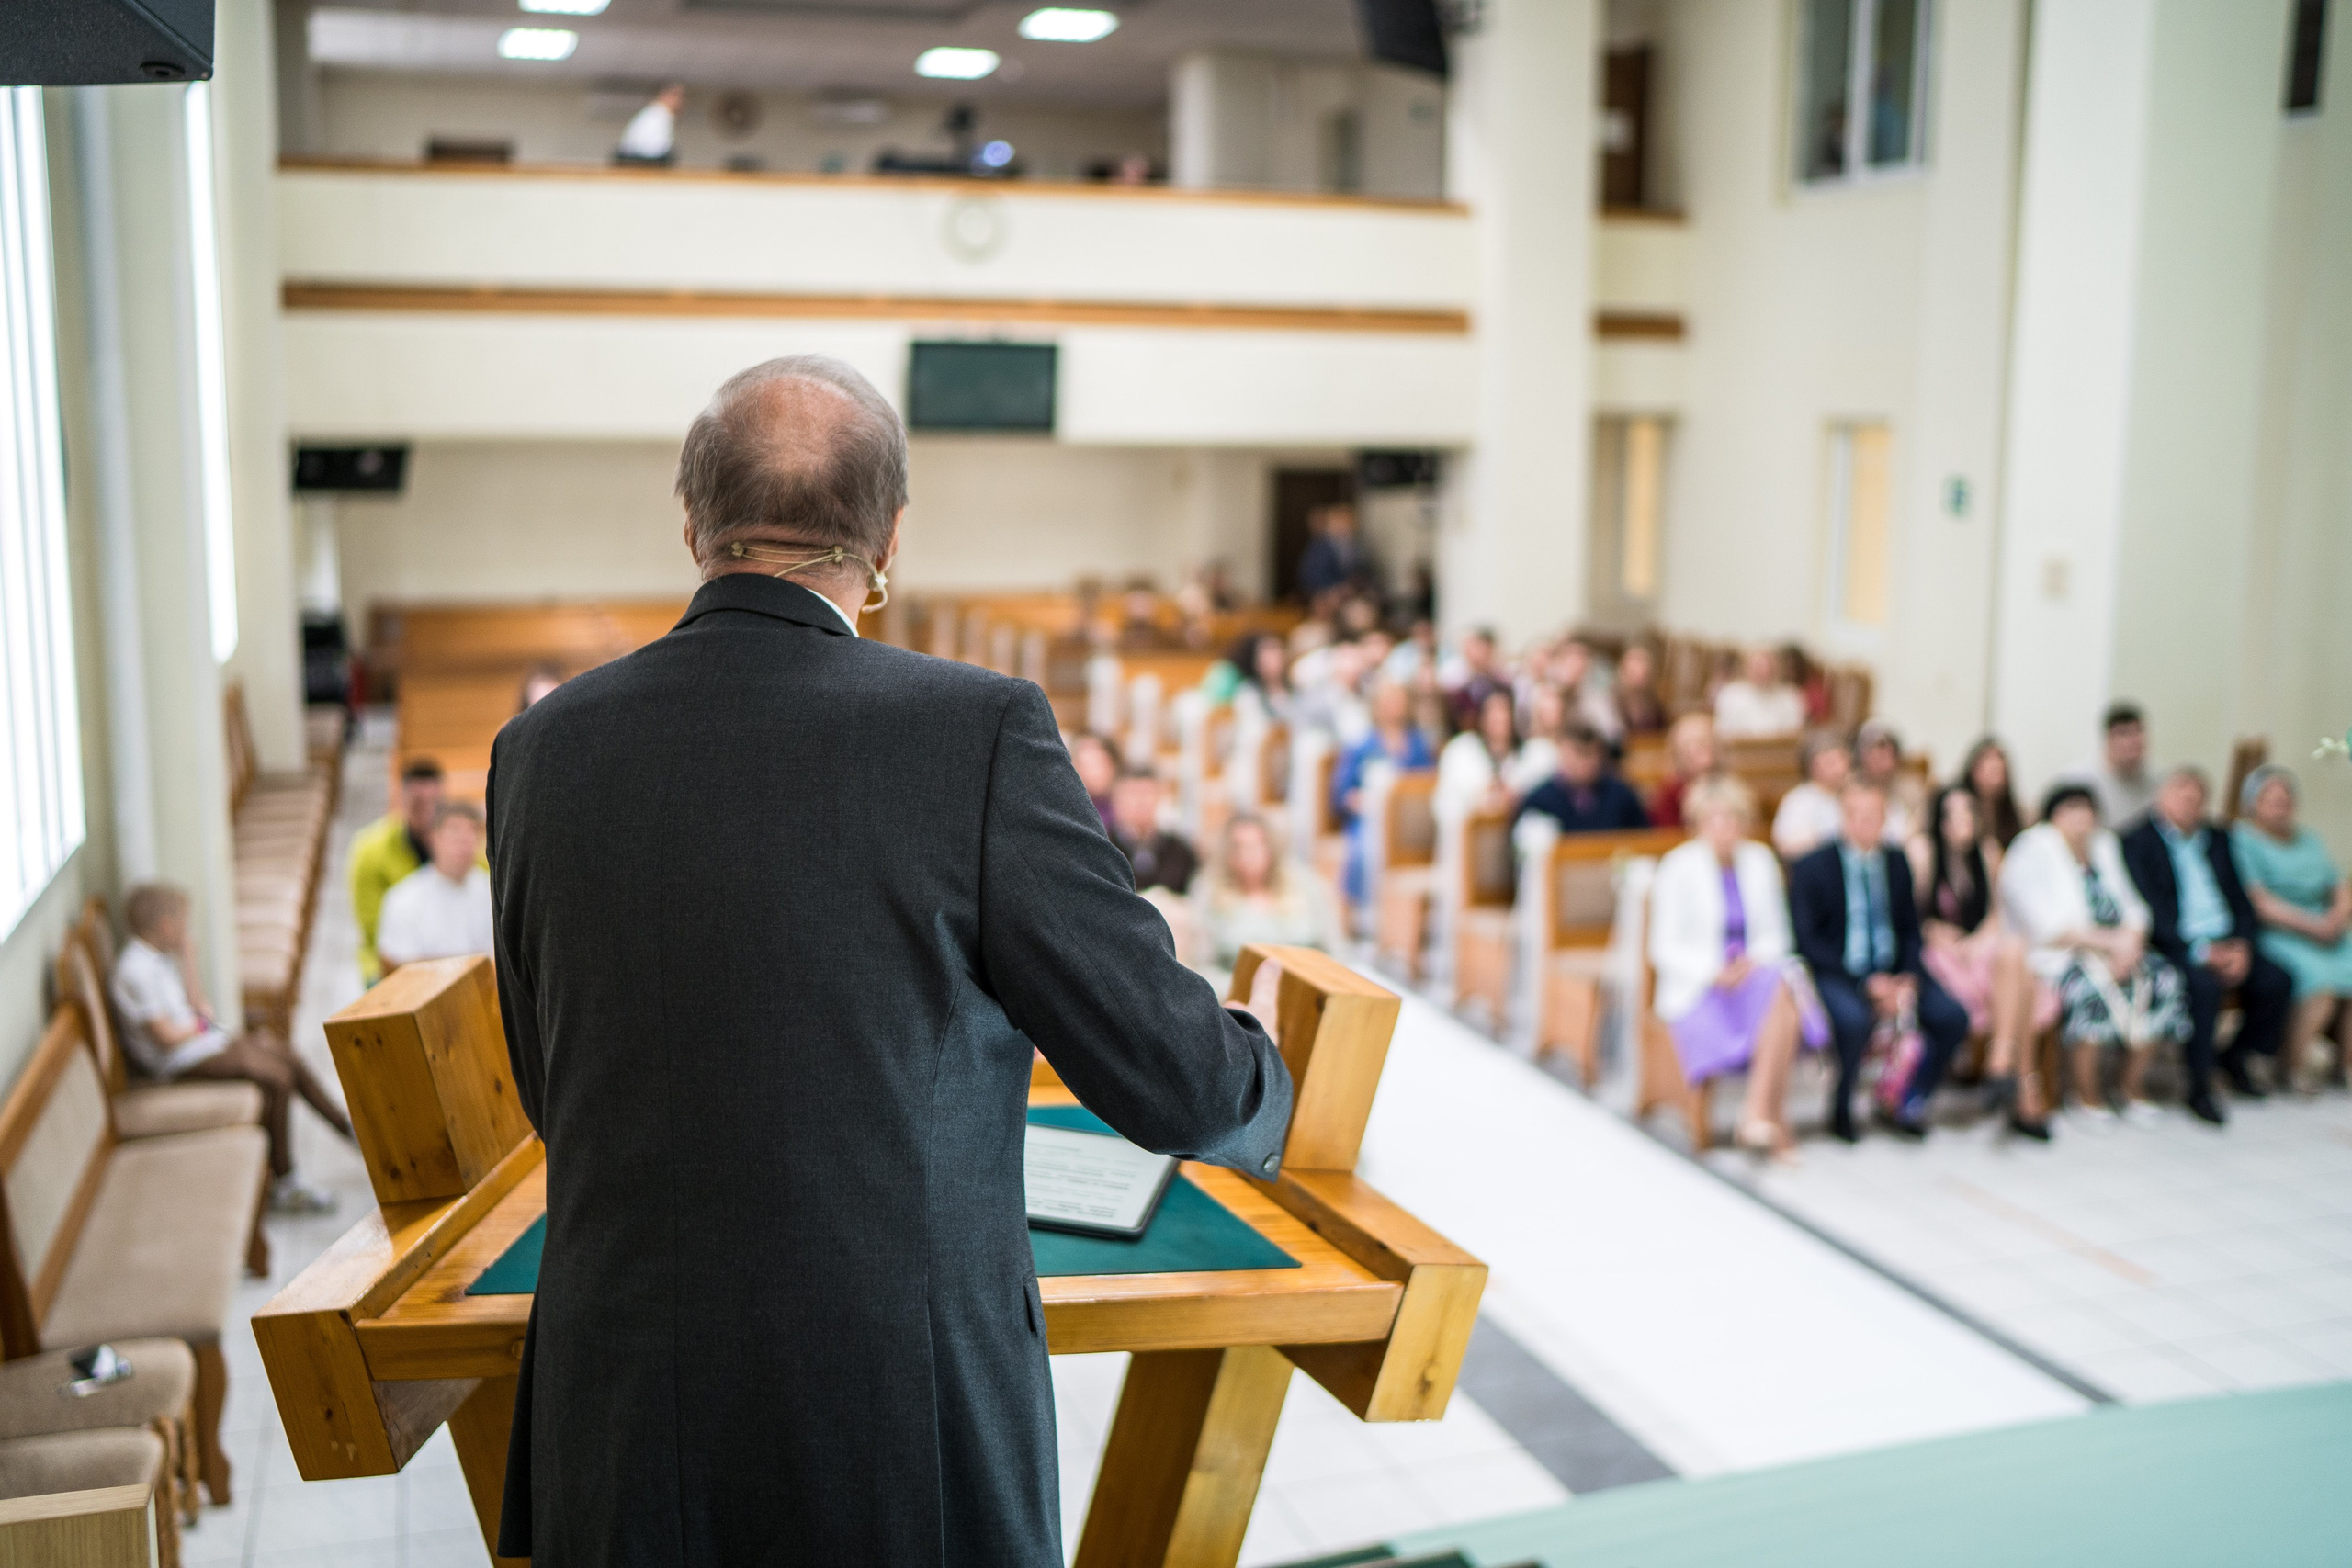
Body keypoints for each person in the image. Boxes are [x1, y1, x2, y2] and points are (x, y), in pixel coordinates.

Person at [484, 354, 1290, 1563]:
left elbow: (555, 1086)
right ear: (890, 538)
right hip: (892, 1433)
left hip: (623, 1418)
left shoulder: (541, 750)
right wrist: (1269, 1072)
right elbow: (1176, 1079)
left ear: (693, 518)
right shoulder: (977, 730)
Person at [110, 883, 356, 1213]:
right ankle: (284, 1181)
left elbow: (195, 1006)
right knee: (277, 1078)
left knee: (286, 1054)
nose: (186, 931)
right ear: (167, 925)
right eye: (183, 923)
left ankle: (348, 1128)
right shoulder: (134, 971)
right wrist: (201, 1026)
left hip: (198, 1043)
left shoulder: (158, 958)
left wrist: (189, 959)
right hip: (177, 1062)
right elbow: (166, 1036)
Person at [1999, 784, 2200, 1127]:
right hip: (2061, 954)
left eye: (2087, 808)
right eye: (2070, 808)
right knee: (2089, 995)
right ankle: (2085, 1093)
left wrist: (2131, 942)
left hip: (2119, 949)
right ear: (2053, 815)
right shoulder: (2032, 848)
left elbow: (2134, 904)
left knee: (2165, 981)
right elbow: (2044, 924)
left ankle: (2130, 1085)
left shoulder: (2105, 846)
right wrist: (2110, 944)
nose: (2080, 817)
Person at [1647, 777, 1826, 1157]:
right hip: (1699, 987)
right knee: (1786, 1004)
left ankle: (1756, 1114)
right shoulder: (1677, 867)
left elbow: (1778, 934)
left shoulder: (1759, 861)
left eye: (1732, 819)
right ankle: (1773, 1121)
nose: (1723, 828)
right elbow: (1663, 946)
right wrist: (1713, 970)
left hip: (1751, 977)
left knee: (1782, 984)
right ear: (1697, 823)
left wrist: (1750, 963)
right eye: (1714, 819)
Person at [1787, 782, 1969, 1141]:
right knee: (1853, 1020)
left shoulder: (1896, 861)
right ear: (1843, 817)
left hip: (1894, 967)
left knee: (1952, 1017)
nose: (1867, 823)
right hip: (1841, 970)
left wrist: (1908, 976)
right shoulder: (1812, 866)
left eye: (1875, 815)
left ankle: (1907, 1097)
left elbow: (1910, 928)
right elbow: (1808, 940)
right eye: (1858, 815)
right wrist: (1865, 983)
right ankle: (1842, 1106)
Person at [2120, 766, 2292, 1106]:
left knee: (2277, 981)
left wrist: (2241, 945)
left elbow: (2241, 899)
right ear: (2161, 797)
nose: (2190, 806)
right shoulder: (2136, 841)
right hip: (2175, 943)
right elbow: (2149, 908)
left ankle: (2234, 1056)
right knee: (2203, 987)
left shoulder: (2218, 838)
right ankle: (2199, 1085)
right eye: (2182, 797)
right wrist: (2200, 951)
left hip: (2226, 938)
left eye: (2197, 801)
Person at [1909, 786, 2058, 1136]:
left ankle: (2001, 1058)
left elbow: (1996, 914)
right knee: (2017, 981)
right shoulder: (1923, 852)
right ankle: (2025, 1090)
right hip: (1939, 951)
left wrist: (1977, 941)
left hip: (1976, 947)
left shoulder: (1989, 853)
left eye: (1968, 813)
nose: (1961, 822)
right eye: (1952, 814)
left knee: (2014, 952)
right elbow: (1911, 915)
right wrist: (1935, 932)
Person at [2233, 765, 2352, 1091]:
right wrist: (2315, 927)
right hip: (2282, 929)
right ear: (2253, 804)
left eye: (2286, 798)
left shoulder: (2309, 838)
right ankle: (2293, 1064)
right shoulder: (2243, 839)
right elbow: (2260, 902)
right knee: (2322, 984)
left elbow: (2338, 884)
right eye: (2271, 798)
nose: (2280, 804)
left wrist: (2338, 915)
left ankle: (2346, 1064)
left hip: (2326, 926)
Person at [1332, 678, 1435, 904]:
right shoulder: (1360, 745)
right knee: (1363, 854)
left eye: (1398, 701)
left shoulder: (1419, 743)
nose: (1393, 707)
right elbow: (1342, 792)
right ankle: (1362, 909)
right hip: (1370, 820)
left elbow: (1428, 782)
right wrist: (1360, 801)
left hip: (1410, 824)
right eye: (1388, 701)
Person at [350, 756, 447, 985]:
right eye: (418, 804)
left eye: (435, 804)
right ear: (402, 800)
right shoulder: (370, 851)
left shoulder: (461, 848)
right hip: (392, 957)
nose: (428, 814)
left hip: (447, 952)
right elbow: (373, 927)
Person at [1196, 815, 1338, 969]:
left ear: (1271, 847)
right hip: (1235, 988)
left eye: (1256, 845)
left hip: (1305, 983)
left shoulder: (1305, 884)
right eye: (1239, 847)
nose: (1248, 855)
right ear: (1228, 853)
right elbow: (1200, 965)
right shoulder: (1209, 891)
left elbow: (1335, 949)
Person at [376, 801, 495, 970]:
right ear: (434, 838)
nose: (465, 840)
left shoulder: (494, 893)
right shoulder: (403, 899)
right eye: (455, 831)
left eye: (472, 831)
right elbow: (398, 966)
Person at [1514, 723, 1650, 838]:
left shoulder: (1621, 796)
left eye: (1595, 753)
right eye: (1582, 753)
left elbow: (1644, 840)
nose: (1590, 762)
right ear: (1563, 752)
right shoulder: (1540, 802)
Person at [1108, 764, 1199, 895]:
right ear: (1116, 799)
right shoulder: (1104, 847)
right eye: (1132, 794)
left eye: (1146, 793)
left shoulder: (1180, 852)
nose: (1140, 802)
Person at [2066, 703, 2158, 829]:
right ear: (2108, 739)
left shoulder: (2158, 781)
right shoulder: (2077, 779)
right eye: (2123, 733)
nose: (2132, 741)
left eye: (2137, 732)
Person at [1771, 729, 1851, 860]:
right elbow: (1787, 847)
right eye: (1831, 762)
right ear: (1812, 765)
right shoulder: (1798, 800)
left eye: (1842, 760)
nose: (1840, 768)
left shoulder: (1856, 794)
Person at [1713, 646, 1807, 739]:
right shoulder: (1730, 695)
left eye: (1768, 666)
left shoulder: (1790, 696)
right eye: (1758, 667)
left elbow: (1796, 734)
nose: (1764, 671)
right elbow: (1723, 733)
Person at [1853, 720, 1922, 844]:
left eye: (1887, 755)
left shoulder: (1910, 788)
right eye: (1875, 755)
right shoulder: (1852, 783)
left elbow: (1917, 824)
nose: (1882, 763)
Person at [1649, 712, 1719, 830]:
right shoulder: (1669, 793)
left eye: (1705, 741)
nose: (1700, 749)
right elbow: (1667, 835)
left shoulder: (1730, 786)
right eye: (1691, 743)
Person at [1958, 736, 2026, 849]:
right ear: (1973, 770)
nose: (1996, 763)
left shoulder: (2015, 812)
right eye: (1992, 771)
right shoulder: (1958, 803)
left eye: (2000, 772)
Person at [1296, 502, 1370, 604]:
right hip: (1325, 594)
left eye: (1347, 521)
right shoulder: (1320, 546)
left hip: (1350, 592)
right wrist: (1335, 589)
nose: (1344, 526)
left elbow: (1360, 570)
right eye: (1340, 521)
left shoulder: (1354, 546)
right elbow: (1311, 575)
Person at [615, 83, 685, 166]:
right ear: (664, 95)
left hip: (635, 159)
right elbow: (654, 150)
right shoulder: (658, 114)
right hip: (637, 162)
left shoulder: (658, 113)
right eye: (676, 95)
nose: (680, 100)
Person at [1611, 643, 1668, 738]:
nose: (1639, 676)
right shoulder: (1613, 700)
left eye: (1643, 671)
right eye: (1633, 671)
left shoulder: (1654, 701)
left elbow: (1661, 729)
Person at [1069, 731, 1119, 832]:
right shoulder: (1067, 810)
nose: (1090, 773)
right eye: (1084, 764)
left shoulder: (1124, 810)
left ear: (1114, 766)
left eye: (1097, 764)